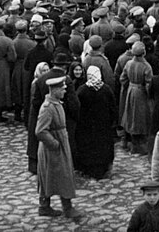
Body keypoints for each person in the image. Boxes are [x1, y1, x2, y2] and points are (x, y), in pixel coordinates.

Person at [35, 75, 83, 219]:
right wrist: (55, 144)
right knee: (60, 175)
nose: (64, 91)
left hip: (59, 143)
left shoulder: (56, 103)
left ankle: (46, 206)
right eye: (62, 89)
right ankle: (65, 208)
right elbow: (40, 131)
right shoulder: (48, 108)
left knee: (57, 175)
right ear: (54, 90)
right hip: (53, 148)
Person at [74, 66, 116, 179]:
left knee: (89, 147)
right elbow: (112, 108)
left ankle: (88, 168)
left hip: (87, 126)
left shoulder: (82, 90)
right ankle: (103, 168)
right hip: (103, 125)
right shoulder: (106, 89)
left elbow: (77, 108)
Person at [120, 41, 153, 155]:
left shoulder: (129, 63)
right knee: (140, 117)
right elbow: (149, 84)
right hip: (141, 93)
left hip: (130, 90)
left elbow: (122, 78)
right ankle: (139, 146)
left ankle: (127, 141)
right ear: (143, 52)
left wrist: (127, 87)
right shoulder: (146, 66)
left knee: (129, 115)